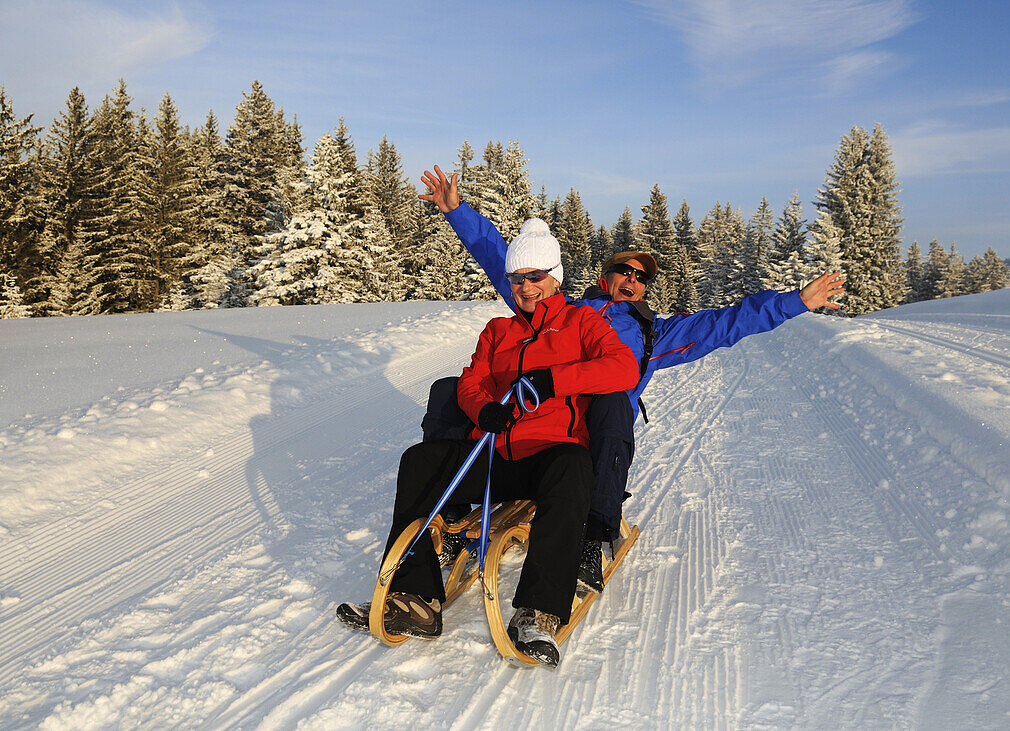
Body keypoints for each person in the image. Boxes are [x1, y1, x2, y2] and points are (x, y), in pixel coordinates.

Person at [417, 166, 845, 593]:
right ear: (606, 278)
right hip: (540, 414)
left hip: (590, 430)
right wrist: (457, 211)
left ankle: (592, 534)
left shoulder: (651, 333)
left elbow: (723, 323)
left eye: (642, 277)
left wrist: (795, 302)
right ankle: (450, 515)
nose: (634, 279)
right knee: (448, 390)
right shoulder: (566, 310)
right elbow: (505, 259)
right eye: (626, 270)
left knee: (613, 400)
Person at [337, 218, 638, 668]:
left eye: (535, 277)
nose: (525, 287)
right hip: (495, 455)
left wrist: (554, 379)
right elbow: (470, 383)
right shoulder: (498, 330)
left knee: (574, 464)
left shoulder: (581, 322)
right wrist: (483, 410)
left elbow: (622, 368)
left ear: (554, 278)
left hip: (548, 456)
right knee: (420, 461)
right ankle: (416, 597)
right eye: (517, 279)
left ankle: (539, 612)